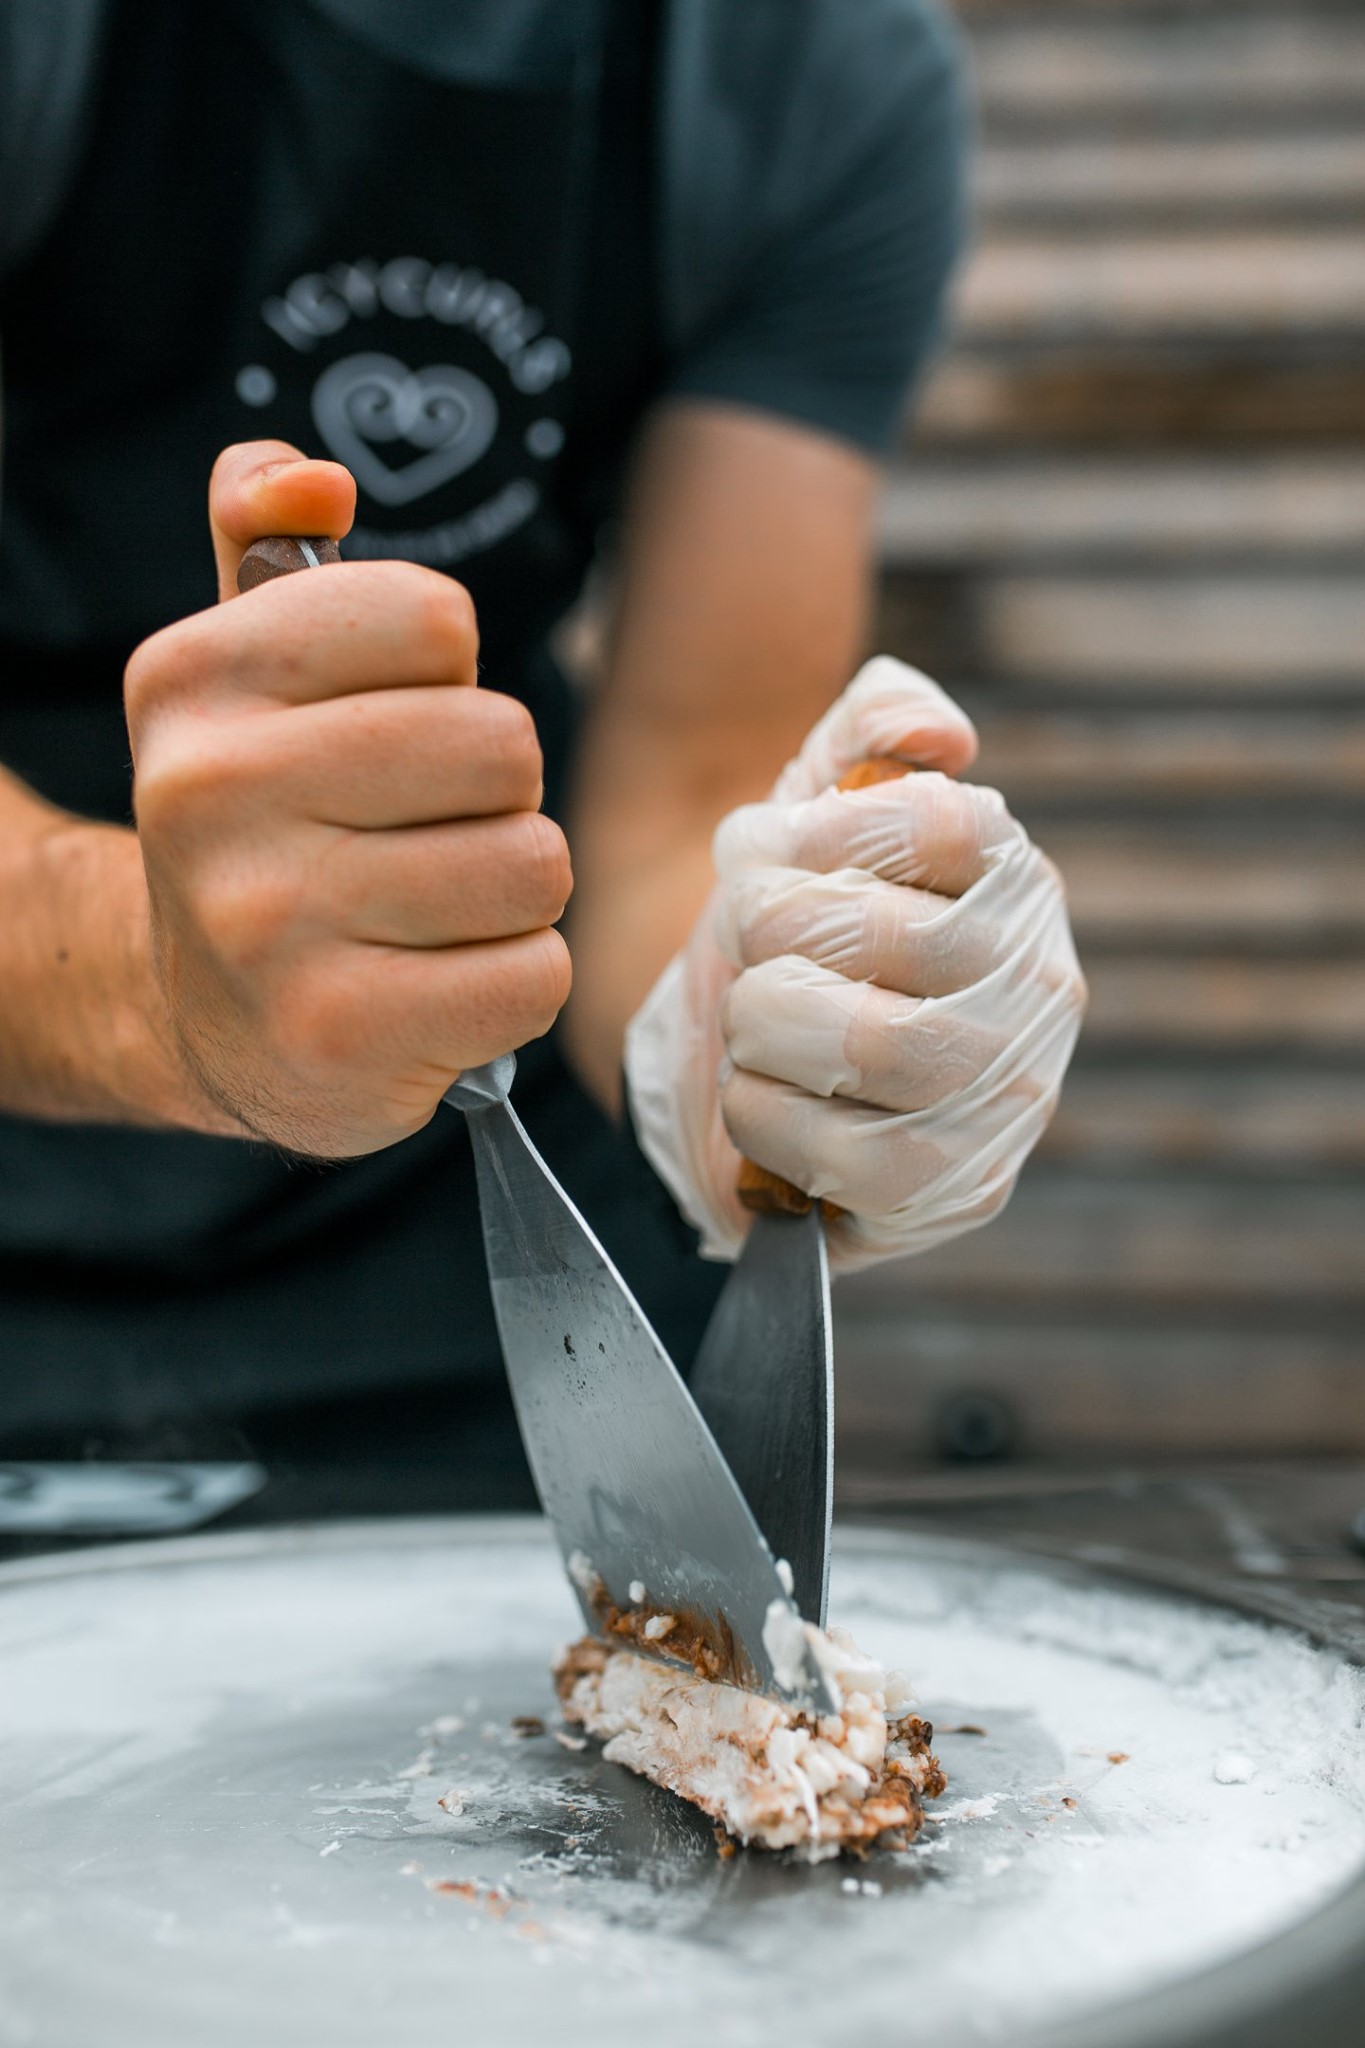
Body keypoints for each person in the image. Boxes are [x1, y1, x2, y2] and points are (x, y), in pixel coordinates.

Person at [0, 0, 1084, 1530]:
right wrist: (154, 980)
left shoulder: (815, 79)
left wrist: (739, 1035)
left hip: (470, 1241)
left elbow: (685, 789)